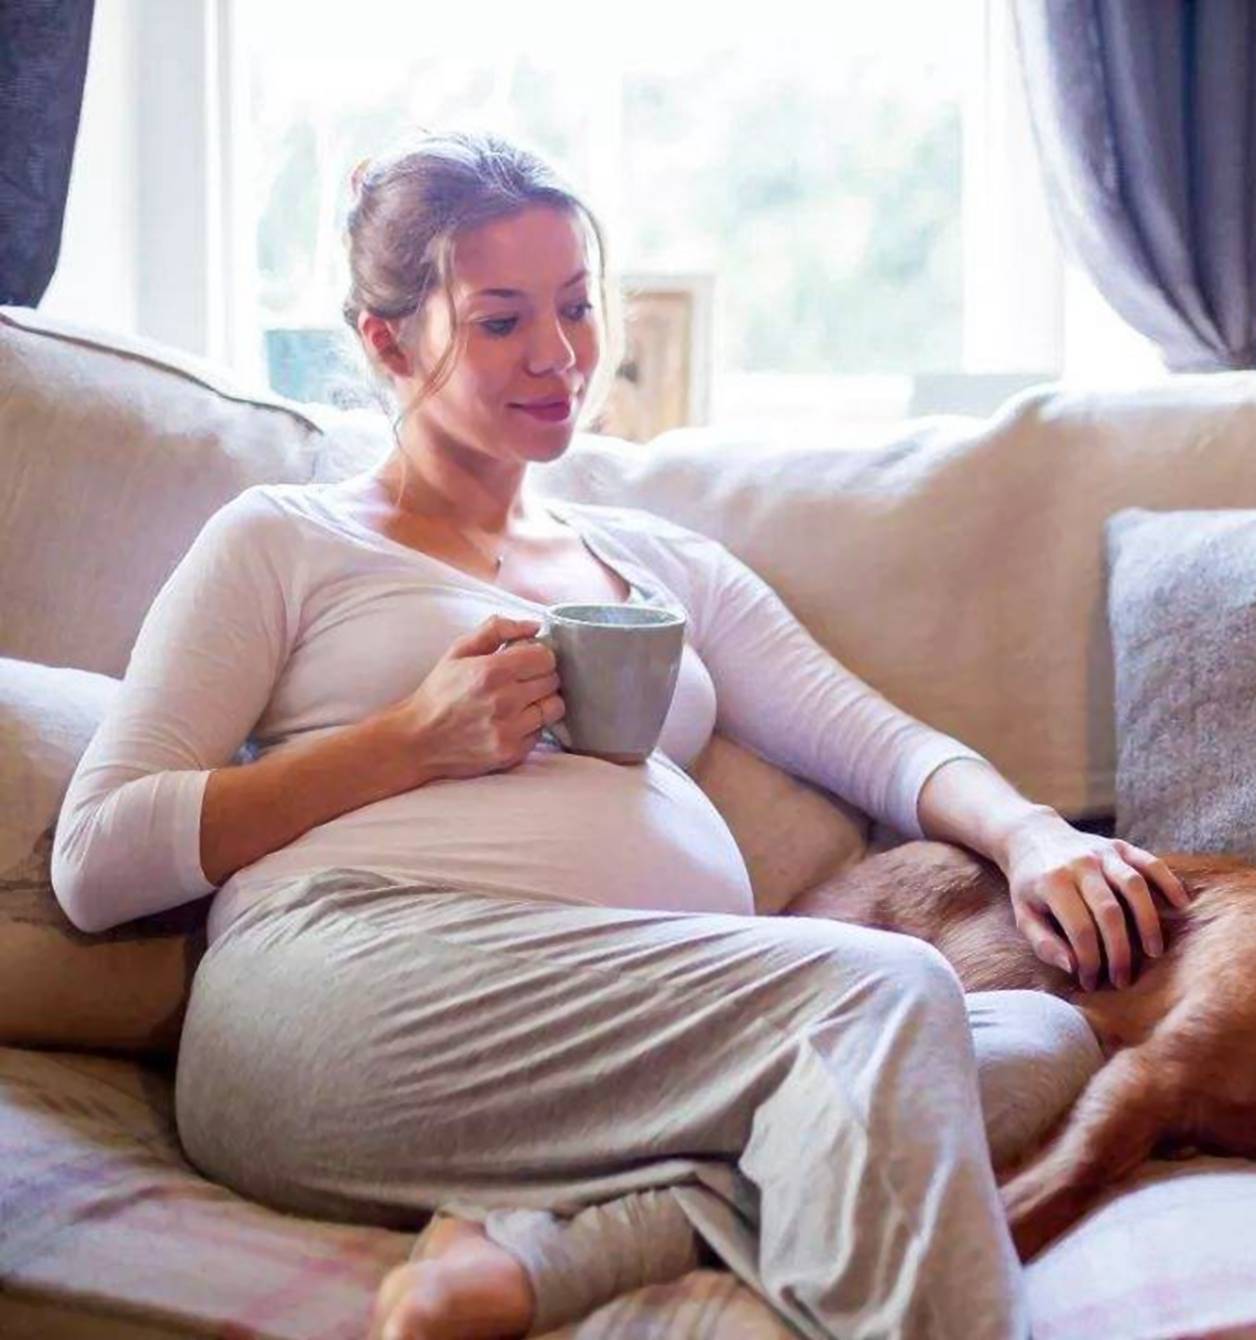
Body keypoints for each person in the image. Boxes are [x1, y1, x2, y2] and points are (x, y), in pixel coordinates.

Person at [50, 129, 1186, 1340]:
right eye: (498, 321)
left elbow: (873, 740)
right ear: (388, 342)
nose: (558, 355)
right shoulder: (283, 537)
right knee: (885, 999)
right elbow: (98, 855)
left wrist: (1030, 835)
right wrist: (407, 740)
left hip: (629, 1030)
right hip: (343, 987)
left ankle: (547, 1249)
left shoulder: (657, 562)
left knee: (1039, 1035)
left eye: (577, 306)